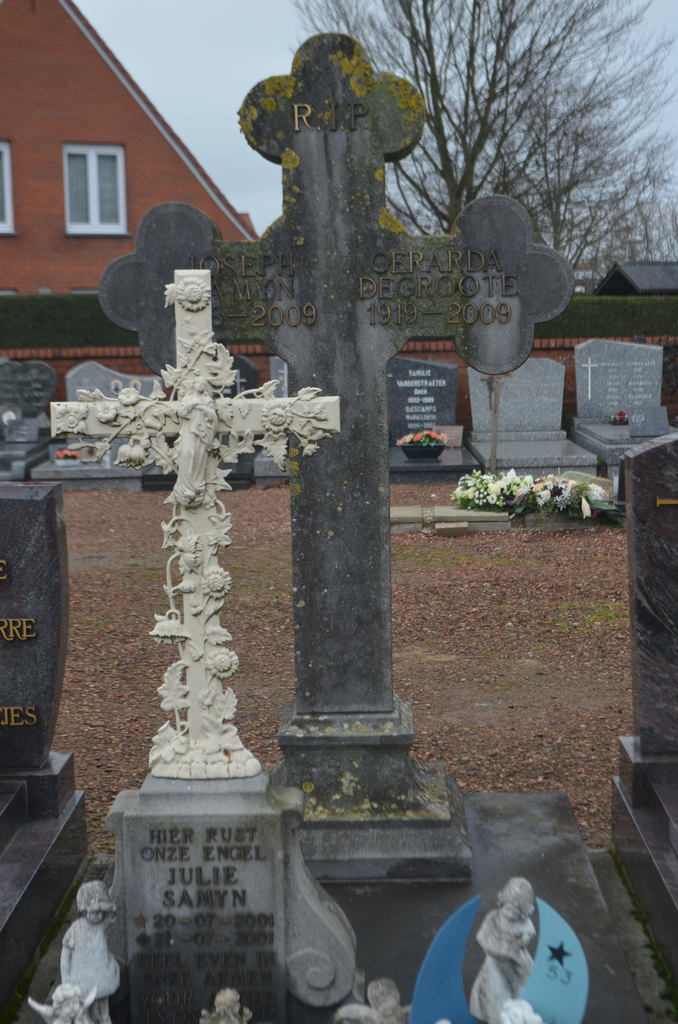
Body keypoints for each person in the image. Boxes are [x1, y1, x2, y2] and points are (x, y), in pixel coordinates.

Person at [469, 877, 536, 1024]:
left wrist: (519, 942)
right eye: (507, 910)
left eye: (514, 913)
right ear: (502, 903)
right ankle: (495, 1014)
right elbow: (484, 935)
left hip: (517, 959)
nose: (509, 915)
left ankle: (522, 1013)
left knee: (525, 983)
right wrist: (499, 946)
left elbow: (527, 935)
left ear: (523, 913)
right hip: (496, 961)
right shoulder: (493, 917)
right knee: (496, 985)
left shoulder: (523, 923)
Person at [61, 881, 120, 1024]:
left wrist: (101, 904)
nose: (99, 915)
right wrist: (66, 978)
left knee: (103, 1010)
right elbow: (66, 954)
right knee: (83, 1010)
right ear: (84, 911)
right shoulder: (75, 929)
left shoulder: (102, 925)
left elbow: (113, 912)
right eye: (95, 912)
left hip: (100, 974)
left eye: (101, 912)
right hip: (81, 977)